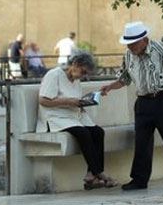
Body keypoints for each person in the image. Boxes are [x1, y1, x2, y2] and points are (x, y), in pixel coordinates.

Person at [100, 21, 163, 191]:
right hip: (143, 102)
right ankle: (139, 180)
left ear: (144, 40)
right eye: (128, 43)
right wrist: (110, 87)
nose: (131, 46)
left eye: (134, 43)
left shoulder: (160, 48)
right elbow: (125, 78)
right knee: (142, 142)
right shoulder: (128, 55)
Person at [37, 51, 116, 190]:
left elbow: (75, 99)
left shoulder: (76, 80)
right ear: (75, 64)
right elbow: (43, 100)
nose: (83, 76)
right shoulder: (54, 75)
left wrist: (84, 102)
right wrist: (68, 101)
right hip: (56, 117)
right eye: (83, 71)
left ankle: (91, 175)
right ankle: (99, 173)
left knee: (98, 132)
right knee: (83, 133)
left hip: (73, 115)